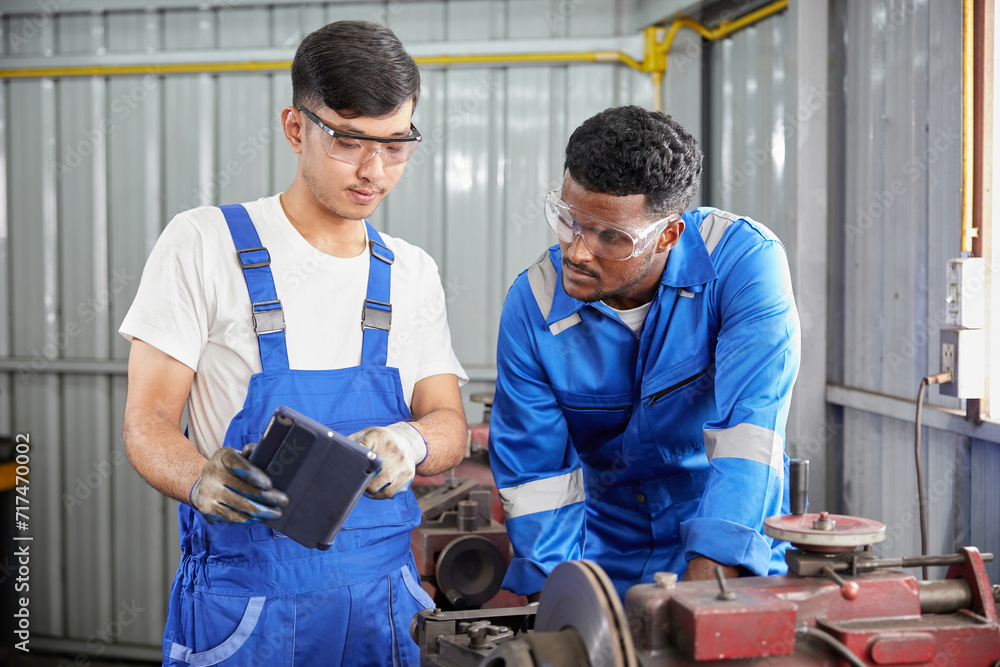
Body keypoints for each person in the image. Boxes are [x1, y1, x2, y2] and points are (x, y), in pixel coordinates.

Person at [120, 21, 468, 666]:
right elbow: (146, 423)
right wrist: (199, 477)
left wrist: (411, 441)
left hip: (385, 605)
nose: (374, 171)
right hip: (249, 605)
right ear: (295, 127)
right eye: (349, 141)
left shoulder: (410, 271)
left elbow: (449, 422)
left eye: (396, 146)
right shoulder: (203, 243)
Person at [488, 105, 800, 600]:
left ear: (669, 236)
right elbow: (537, 481)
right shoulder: (534, 306)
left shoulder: (743, 265)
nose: (577, 252)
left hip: (729, 534)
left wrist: (709, 589)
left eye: (611, 236)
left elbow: (750, 433)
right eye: (568, 220)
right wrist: (561, 603)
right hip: (601, 550)